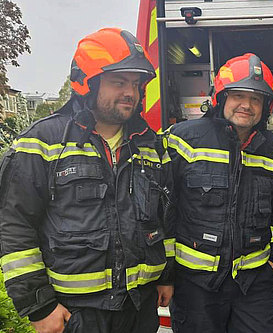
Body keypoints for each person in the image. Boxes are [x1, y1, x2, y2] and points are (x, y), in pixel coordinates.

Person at [0, 28, 175, 333]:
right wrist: (39, 306)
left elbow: (165, 216)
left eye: (136, 84)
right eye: (119, 82)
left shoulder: (150, 144)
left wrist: (166, 275)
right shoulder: (42, 143)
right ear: (88, 83)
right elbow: (14, 227)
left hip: (139, 307)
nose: (130, 93)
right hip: (75, 312)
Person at [167, 53, 273, 332]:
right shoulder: (183, 139)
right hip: (196, 283)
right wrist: (166, 273)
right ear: (221, 98)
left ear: (266, 106)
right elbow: (164, 209)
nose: (247, 105)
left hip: (253, 283)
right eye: (238, 96)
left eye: (256, 98)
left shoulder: (272, 150)